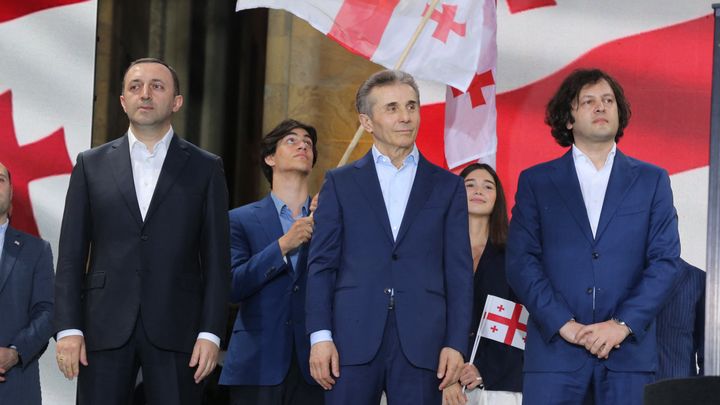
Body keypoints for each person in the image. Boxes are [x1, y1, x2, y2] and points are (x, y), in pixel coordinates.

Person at [54, 57, 230, 405]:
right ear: (123, 101)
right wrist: (68, 328)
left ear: (176, 101)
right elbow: (72, 254)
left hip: (179, 327)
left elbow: (216, 261)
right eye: (135, 86)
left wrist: (211, 333)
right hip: (102, 327)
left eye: (157, 86)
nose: (145, 94)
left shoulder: (206, 168)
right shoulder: (91, 165)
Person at [506, 68, 682, 405]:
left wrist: (620, 325)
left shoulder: (652, 180)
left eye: (608, 101)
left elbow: (665, 262)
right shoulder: (537, 182)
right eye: (588, 101)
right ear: (568, 119)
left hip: (628, 357)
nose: (601, 107)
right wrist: (566, 325)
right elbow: (520, 262)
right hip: (555, 356)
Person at [305, 69, 474, 405]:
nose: (405, 117)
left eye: (412, 106)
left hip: (424, 343)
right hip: (351, 339)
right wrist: (320, 337)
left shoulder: (448, 186)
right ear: (367, 122)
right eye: (392, 108)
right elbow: (321, 265)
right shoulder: (340, 183)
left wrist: (456, 343)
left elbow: (459, 272)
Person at [219, 119, 324, 405]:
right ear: (270, 158)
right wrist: (282, 246)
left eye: (308, 142)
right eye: (291, 140)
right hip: (257, 362)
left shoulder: (330, 217)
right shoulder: (239, 219)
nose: (303, 144)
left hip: (316, 364)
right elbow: (231, 286)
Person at [443, 163, 523, 405]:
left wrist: (482, 369)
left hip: (497, 384)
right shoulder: (433, 252)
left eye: (487, 186)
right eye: (469, 185)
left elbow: (521, 323)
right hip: (440, 382)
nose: (478, 190)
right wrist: (448, 376)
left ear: (497, 198)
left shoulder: (515, 255)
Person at [0, 163, 55, 404]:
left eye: (0, 179)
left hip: (16, 387)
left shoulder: (37, 250)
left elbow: (48, 311)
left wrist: (15, 352)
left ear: (12, 191)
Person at [656, 258, 705, 380]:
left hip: (678, 392)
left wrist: (698, 395)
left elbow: (710, 360)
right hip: (622, 393)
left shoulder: (698, 280)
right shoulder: (617, 280)